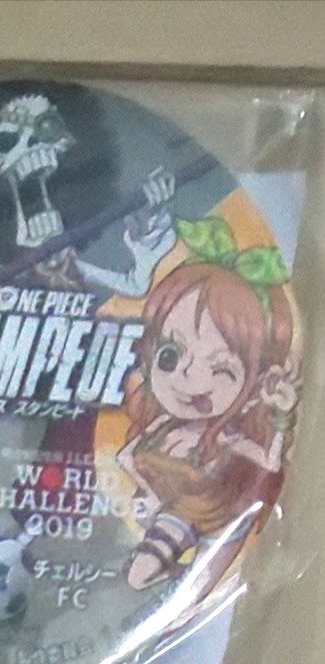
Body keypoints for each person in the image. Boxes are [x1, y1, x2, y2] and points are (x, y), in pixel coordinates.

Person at [118, 217, 296, 591]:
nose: (188, 377)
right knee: (139, 577)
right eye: (170, 355)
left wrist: (280, 418)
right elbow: (126, 457)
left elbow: (269, 464)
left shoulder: (227, 437)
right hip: (177, 516)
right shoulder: (161, 428)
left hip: (226, 522)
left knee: (199, 592)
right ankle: (175, 580)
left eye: (221, 369)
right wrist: (150, 495)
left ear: (255, 379)